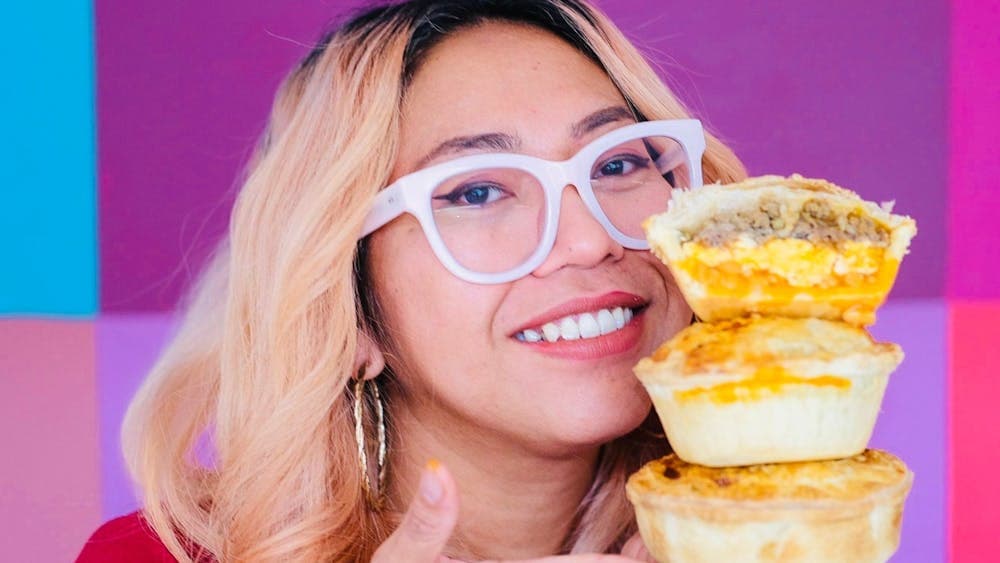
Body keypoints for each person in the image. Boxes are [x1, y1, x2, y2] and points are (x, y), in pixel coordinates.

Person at [78, 0, 745, 561]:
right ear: (352, 313)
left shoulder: (813, 526)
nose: (590, 239)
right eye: (478, 191)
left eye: (618, 161)